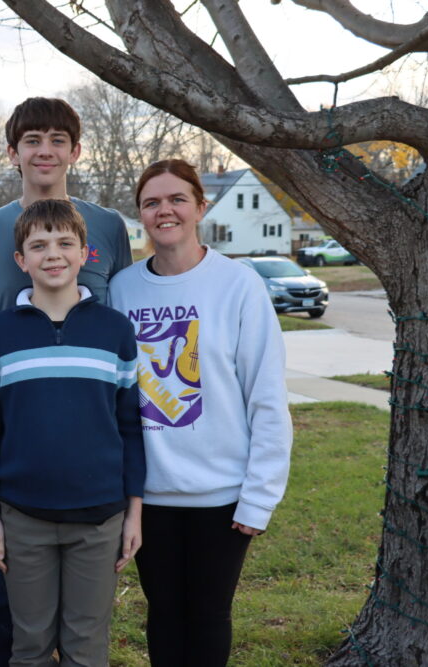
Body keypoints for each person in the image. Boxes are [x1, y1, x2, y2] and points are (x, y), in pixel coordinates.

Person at [0, 97, 133, 667]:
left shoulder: (106, 227)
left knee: (84, 627)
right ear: (13, 152)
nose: (44, 150)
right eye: (32, 140)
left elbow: (121, 317)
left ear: (76, 151)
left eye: (56, 139)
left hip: (89, 450)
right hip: (17, 447)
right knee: (12, 618)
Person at [107, 159, 293, 666]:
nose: (164, 210)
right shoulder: (123, 290)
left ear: (200, 207)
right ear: (141, 213)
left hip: (222, 496)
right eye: (151, 202)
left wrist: (259, 496)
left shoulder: (238, 285)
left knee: (209, 615)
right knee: (163, 613)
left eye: (176, 199)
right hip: (149, 495)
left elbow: (267, 397)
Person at [0, 198, 144, 666]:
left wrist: (134, 512)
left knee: (87, 645)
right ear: (20, 260)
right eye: (39, 245)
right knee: (29, 642)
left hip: (101, 516)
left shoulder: (115, 331)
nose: (53, 254)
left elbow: (130, 427)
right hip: (23, 516)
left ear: (85, 254)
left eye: (66, 243)